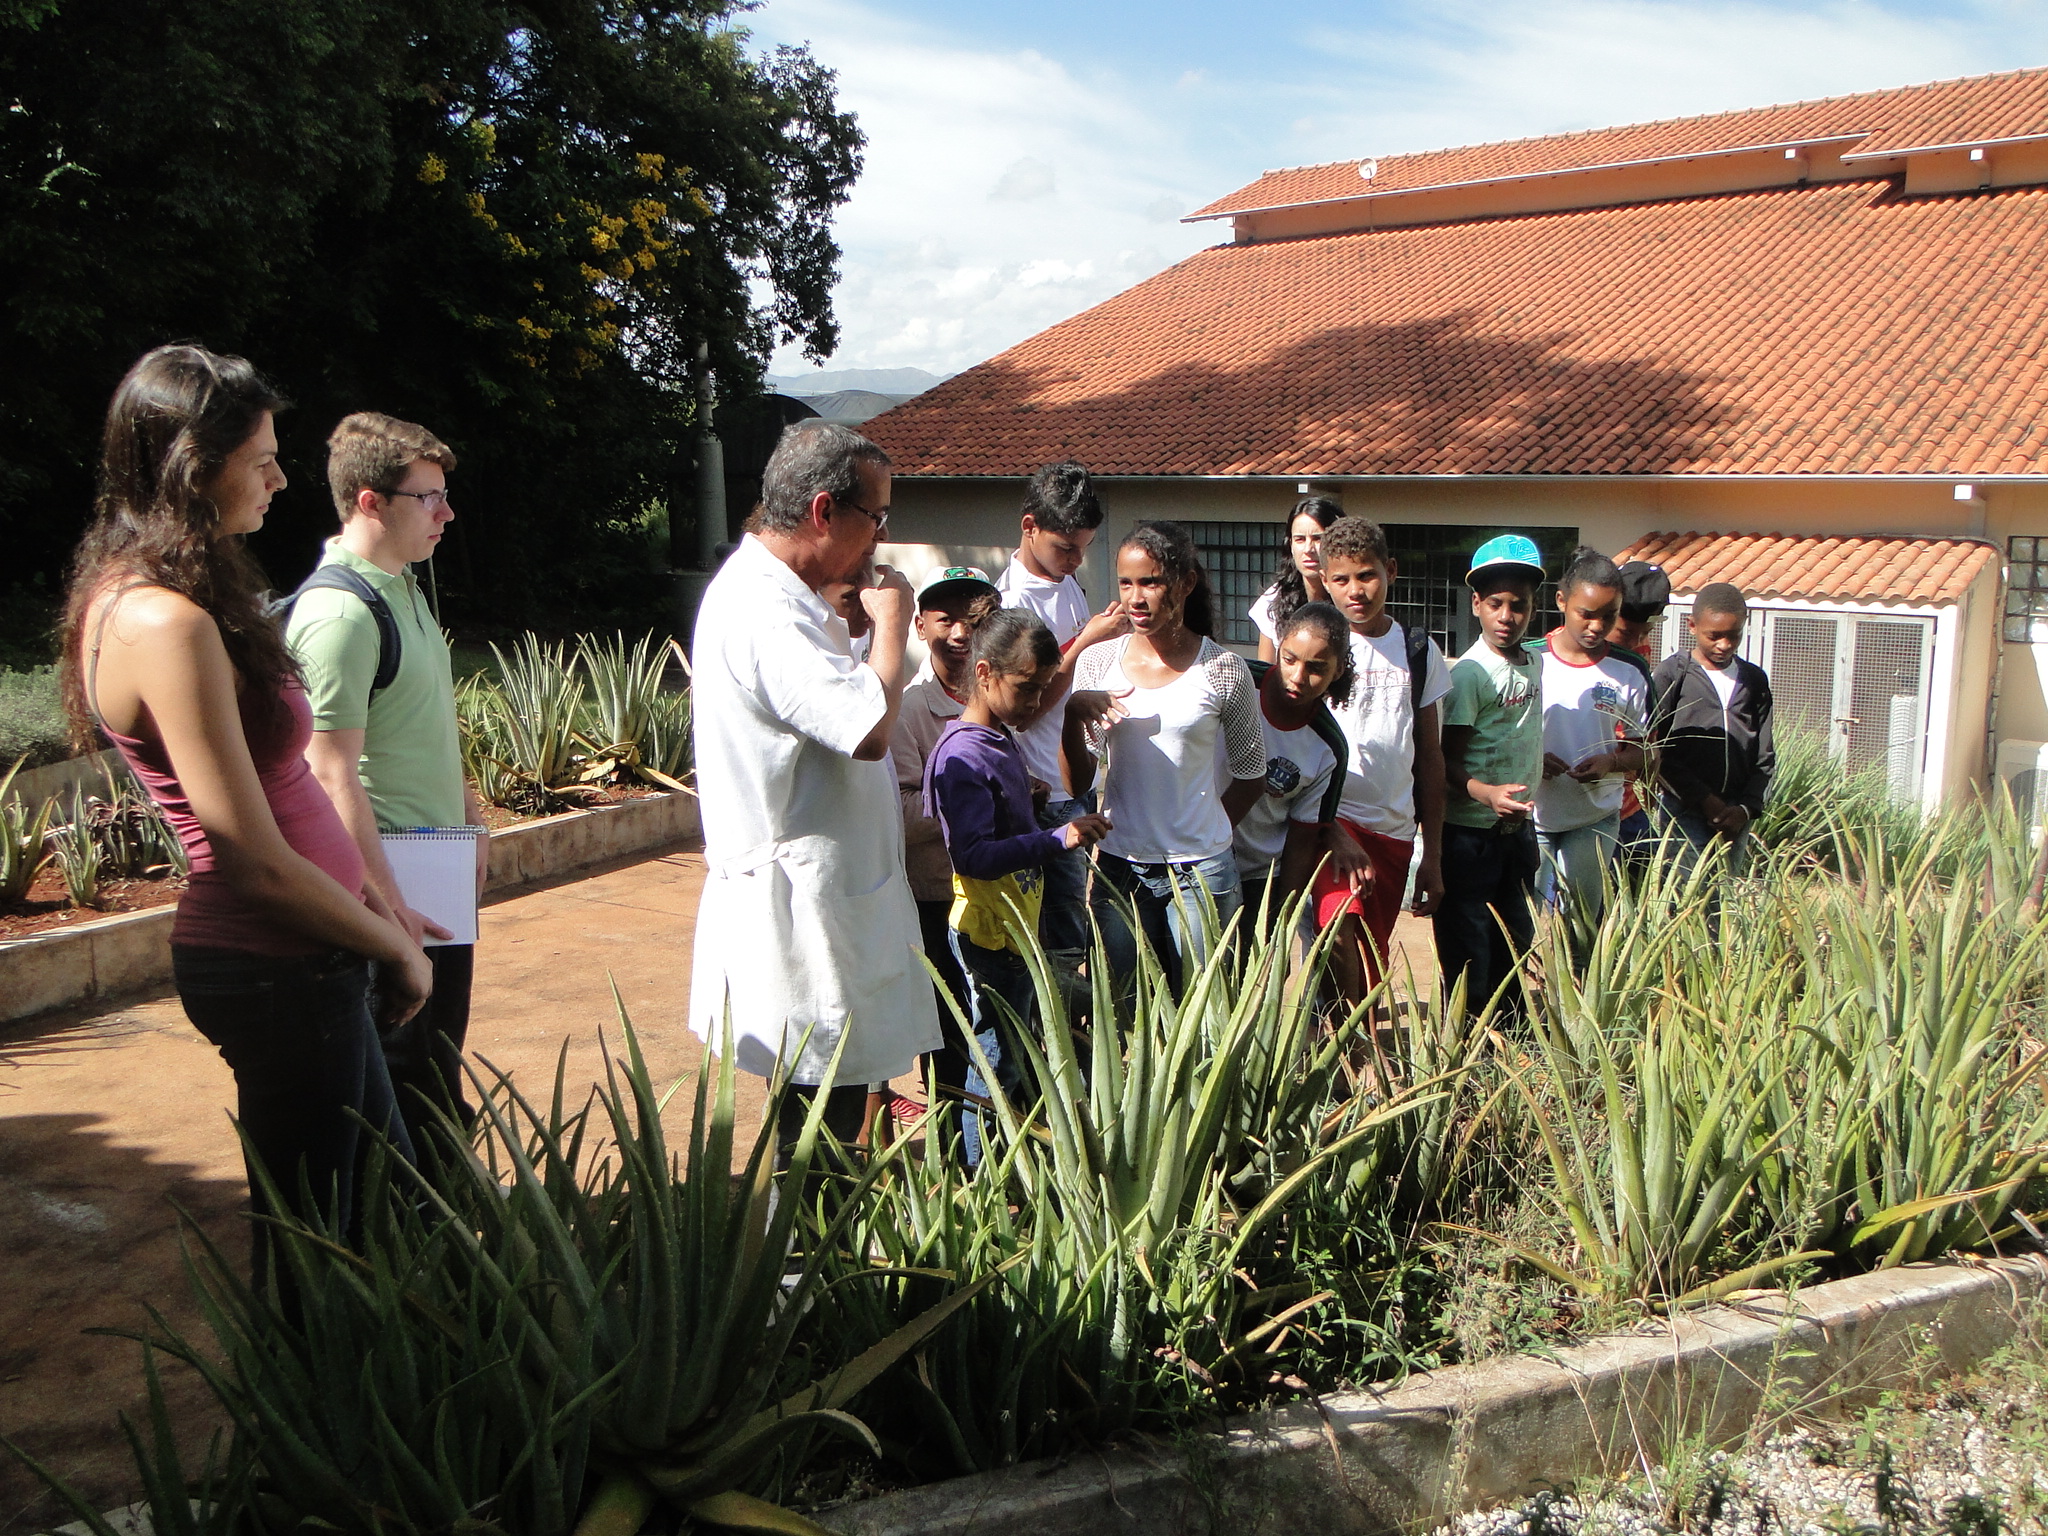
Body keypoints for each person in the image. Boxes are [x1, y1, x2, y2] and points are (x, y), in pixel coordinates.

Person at [58, 345, 429, 1285]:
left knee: (372, 1217)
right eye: (261, 458)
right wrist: (393, 945)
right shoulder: (163, 623)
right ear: (195, 467)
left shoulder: (181, 598)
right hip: (277, 966)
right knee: (323, 1251)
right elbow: (250, 857)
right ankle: (311, 1379)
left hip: (308, 958)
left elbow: (282, 792)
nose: (279, 477)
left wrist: (371, 912)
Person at [687, 419, 939, 1152]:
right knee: (819, 1129)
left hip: (830, 900)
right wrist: (893, 625)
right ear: (824, 511)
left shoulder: (791, 599)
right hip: (806, 915)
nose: (880, 539)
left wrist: (856, 626)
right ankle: (802, 1234)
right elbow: (868, 730)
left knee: (834, 1105)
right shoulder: (765, 611)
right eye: (876, 517)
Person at [285, 413, 487, 1148]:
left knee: (434, 1064)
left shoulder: (402, 588)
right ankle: (415, 1214)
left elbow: (424, 725)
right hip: (393, 886)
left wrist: (471, 821)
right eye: (428, 497)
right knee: (403, 1082)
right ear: (370, 502)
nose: (446, 513)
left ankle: (442, 1201)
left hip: (432, 874)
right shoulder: (341, 614)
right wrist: (390, 909)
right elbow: (327, 770)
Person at [925, 610, 1112, 1154]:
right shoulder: (964, 755)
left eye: (1044, 689)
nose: (1036, 703)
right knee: (995, 1066)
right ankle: (984, 1178)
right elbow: (973, 856)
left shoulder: (995, 739)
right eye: (1027, 688)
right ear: (984, 673)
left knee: (1007, 1056)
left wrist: (1025, 800)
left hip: (1010, 926)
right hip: (990, 935)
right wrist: (1056, 839)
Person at [1064, 520, 1266, 998]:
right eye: (1126, 583)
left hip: (1201, 873)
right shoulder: (1096, 662)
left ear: (1185, 583)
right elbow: (1077, 782)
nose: (1136, 598)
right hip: (1121, 865)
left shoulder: (1223, 670)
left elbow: (1251, 774)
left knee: (1206, 1013)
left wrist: (1206, 827)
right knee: (1123, 1008)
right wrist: (1073, 715)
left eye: (1151, 582)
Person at [994, 463, 1128, 994]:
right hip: (1038, 787)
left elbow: (1074, 682)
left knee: (1074, 916)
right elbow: (1023, 709)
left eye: (1083, 550)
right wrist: (1087, 640)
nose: (1075, 561)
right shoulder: (1011, 603)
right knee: (1053, 927)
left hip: (1074, 774)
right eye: (1066, 548)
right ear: (1029, 526)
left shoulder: (1066, 583)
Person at [1313, 517, 1450, 1006]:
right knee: (1337, 931)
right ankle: (1345, 1044)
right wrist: (1326, 826)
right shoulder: (1317, 647)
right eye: (1342, 579)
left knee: (1369, 962)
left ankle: (1350, 1039)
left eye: (1367, 575)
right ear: (1325, 581)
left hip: (1394, 832)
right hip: (1332, 825)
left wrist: (1431, 855)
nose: (1356, 590)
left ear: (1390, 570)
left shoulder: (1417, 650)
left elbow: (1429, 756)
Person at [888, 566, 1000, 1100]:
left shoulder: (1001, 693)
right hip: (938, 898)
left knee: (997, 1023)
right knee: (950, 1030)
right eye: (945, 619)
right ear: (919, 626)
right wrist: (979, 801)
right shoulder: (910, 709)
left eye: (972, 621)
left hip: (995, 892)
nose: (959, 633)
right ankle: (952, 1138)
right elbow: (901, 813)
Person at [1435, 538, 1546, 1022]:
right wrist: (1487, 794)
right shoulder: (1471, 674)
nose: (1507, 616)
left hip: (1516, 831)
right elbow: (1445, 761)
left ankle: (1512, 1037)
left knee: (1515, 938)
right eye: (1496, 603)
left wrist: (1542, 760)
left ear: (1533, 608)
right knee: (1470, 944)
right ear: (1476, 604)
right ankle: (1465, 1041)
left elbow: (1516, 732)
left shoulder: (1534, 663)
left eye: (1518, 605)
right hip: (1469, 836)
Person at [1532, 547, 1650, 937]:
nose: (1597, 626)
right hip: (1530, 817)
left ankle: (1578, 976)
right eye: (1586, 613)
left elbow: (1646, 753)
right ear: (1561, 601)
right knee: (1524, 923)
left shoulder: (1630, 670)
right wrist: (1532, 760)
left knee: (1581, 926)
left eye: (1608, 615)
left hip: (1594, 817)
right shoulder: (1529, 660)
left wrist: (1610, 763)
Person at [1234, 601, 1353, 929]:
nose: (1298, 677)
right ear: (1279, 648)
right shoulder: (1235, 679)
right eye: (1290, 660)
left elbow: (1303, 841)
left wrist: (1281, 921)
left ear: (1338, 670)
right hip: (1199, 859)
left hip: (1260, 879)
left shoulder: (1329, 748)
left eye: (1316, 668)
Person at [1650, 582, 1775, 881]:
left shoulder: (1753, 680)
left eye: (1734, 635)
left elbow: (1764, 753)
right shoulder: (1673, 674)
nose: (1724, 645)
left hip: (1735, 814)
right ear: (1692, 626)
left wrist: (1746, 808)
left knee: (1724, 894)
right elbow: (1656, 747)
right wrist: (1705, 800)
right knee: (1685, 892)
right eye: (1714, 636)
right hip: (1684, 809)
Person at [1607, 560, 1671, 863]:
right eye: (1626, 633)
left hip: (1630, 806)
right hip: (1589, 811)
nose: (1636, 643)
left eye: (1645, 634)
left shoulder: (1638, 651)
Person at [1251, 495, 1345, 662]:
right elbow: (1266, 670)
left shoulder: (1350, 595)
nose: (1308, 549)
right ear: (1290, 545)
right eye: (1300, 539)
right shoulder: (1273, 600)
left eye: (1318, 538)